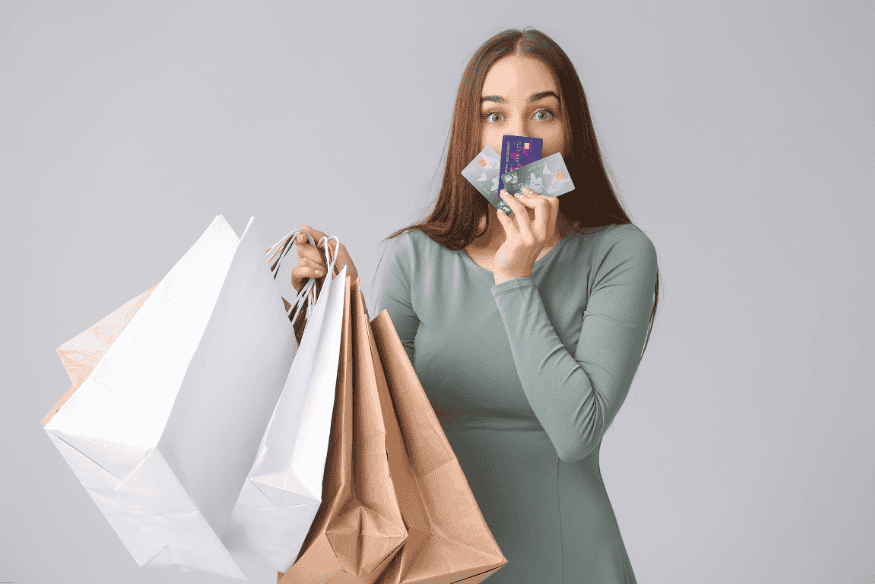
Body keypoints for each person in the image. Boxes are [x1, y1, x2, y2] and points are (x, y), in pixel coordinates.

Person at [290, 27, 660, 584]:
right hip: (431, 563)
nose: (519, 142)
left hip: (567, 561)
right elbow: (369, 432)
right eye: (495, 117)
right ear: (473, 134)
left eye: (542, 115)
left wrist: (515, 277)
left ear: (571, 131)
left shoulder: (619, 253)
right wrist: (326, 316)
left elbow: (576, 432)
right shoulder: (416, 257)